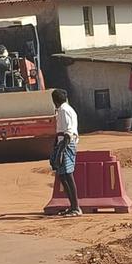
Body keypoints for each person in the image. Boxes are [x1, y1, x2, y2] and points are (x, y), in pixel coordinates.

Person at [50, 89, 82, 217]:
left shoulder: (64, 110)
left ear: (55, 100)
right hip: (63, 143)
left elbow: (69, 131)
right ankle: (73, 206)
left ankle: (76, 208)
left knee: (68, 175)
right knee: (62, 176)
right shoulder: (66, 110)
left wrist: (61, 149)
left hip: (66, 144)